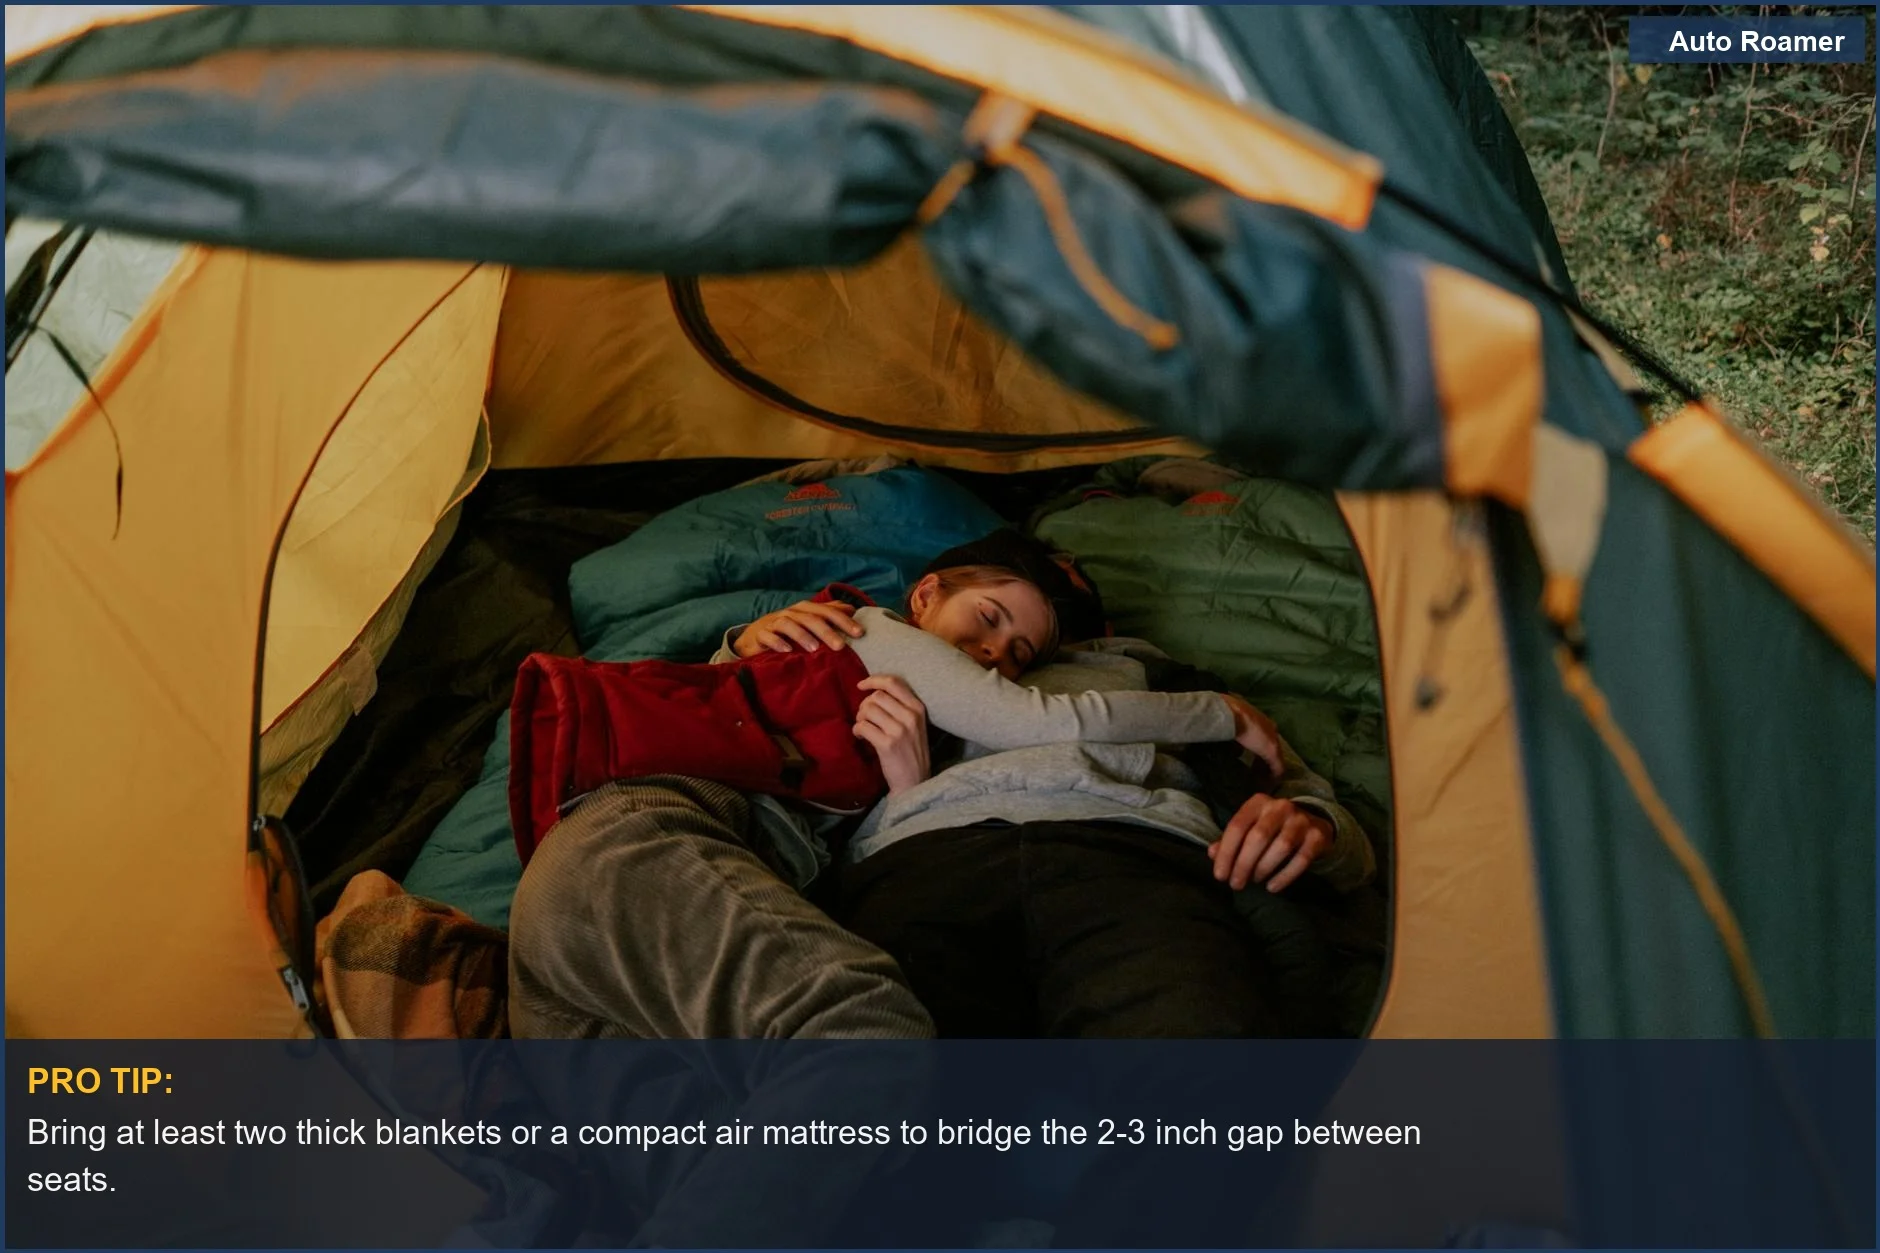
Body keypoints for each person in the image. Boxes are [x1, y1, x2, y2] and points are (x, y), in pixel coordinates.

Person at [506, 529, 1372, 1041]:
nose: (997, 655)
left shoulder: (1156, 678)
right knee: (893, 1102)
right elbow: (740, 744)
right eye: (988, 619)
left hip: (1130, 854)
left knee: (1197, 1076)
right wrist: (746, 644)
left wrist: (1312, 823)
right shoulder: (855, 642)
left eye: (1028, 649)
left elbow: (1310, 795)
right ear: (925, 596)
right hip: (917, 859)